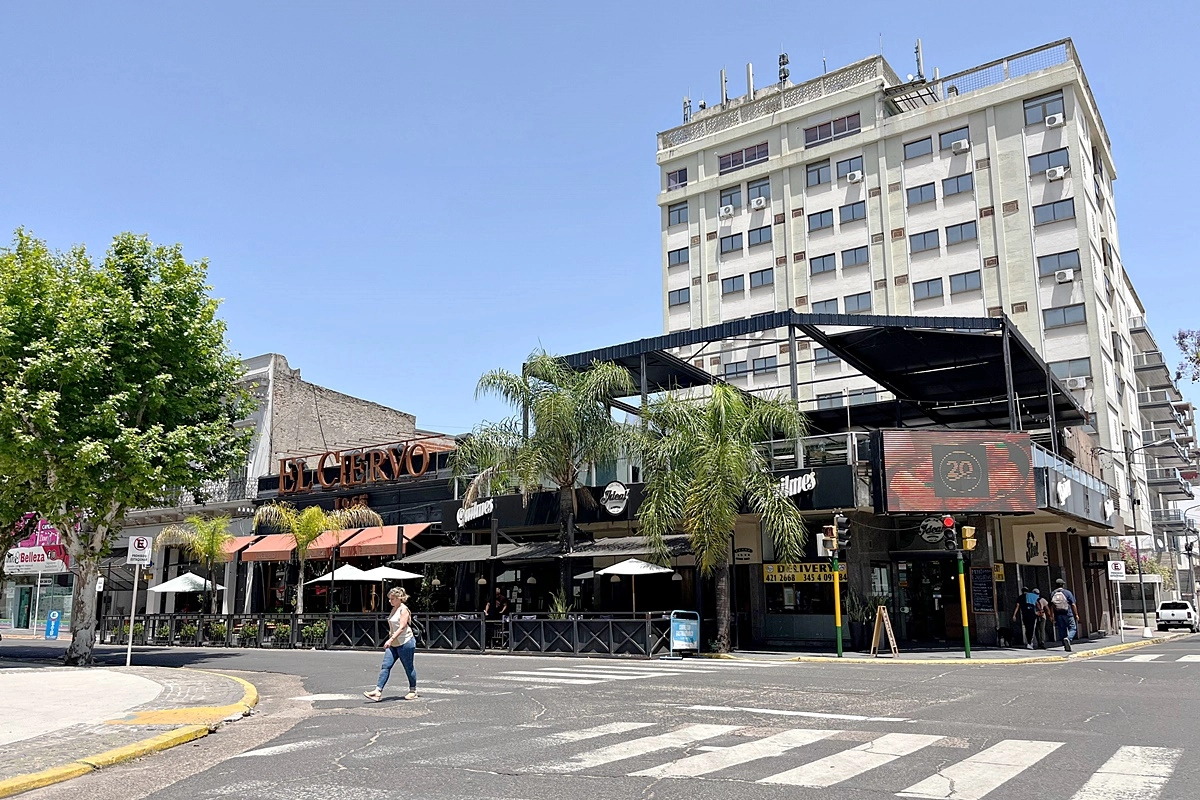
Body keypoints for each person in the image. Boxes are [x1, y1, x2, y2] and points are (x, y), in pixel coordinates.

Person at [364, 587, 417, 702]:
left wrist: (390, 639)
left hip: (405, 642)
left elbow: (402, 627)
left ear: (399, 598)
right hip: (394, 643)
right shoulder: (394, 609)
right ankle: (378, 691)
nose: (390, 601)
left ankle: (413, 690)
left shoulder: (404, 610)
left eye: (392, 599)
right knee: (386, 666)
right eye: (389, 599)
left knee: (408, 667)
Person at [1049, 578, 1079, 652]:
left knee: (1062, 630)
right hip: (1068, 614)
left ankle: (1065, 645)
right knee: (1073, 628)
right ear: (1063, 585)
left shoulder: (1053, 593)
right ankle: (1068, 639)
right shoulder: (1067, 593)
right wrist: (1076, 614)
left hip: (1058, 615)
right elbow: (1073, 604)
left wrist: (1051, 616)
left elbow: (1052, 606)